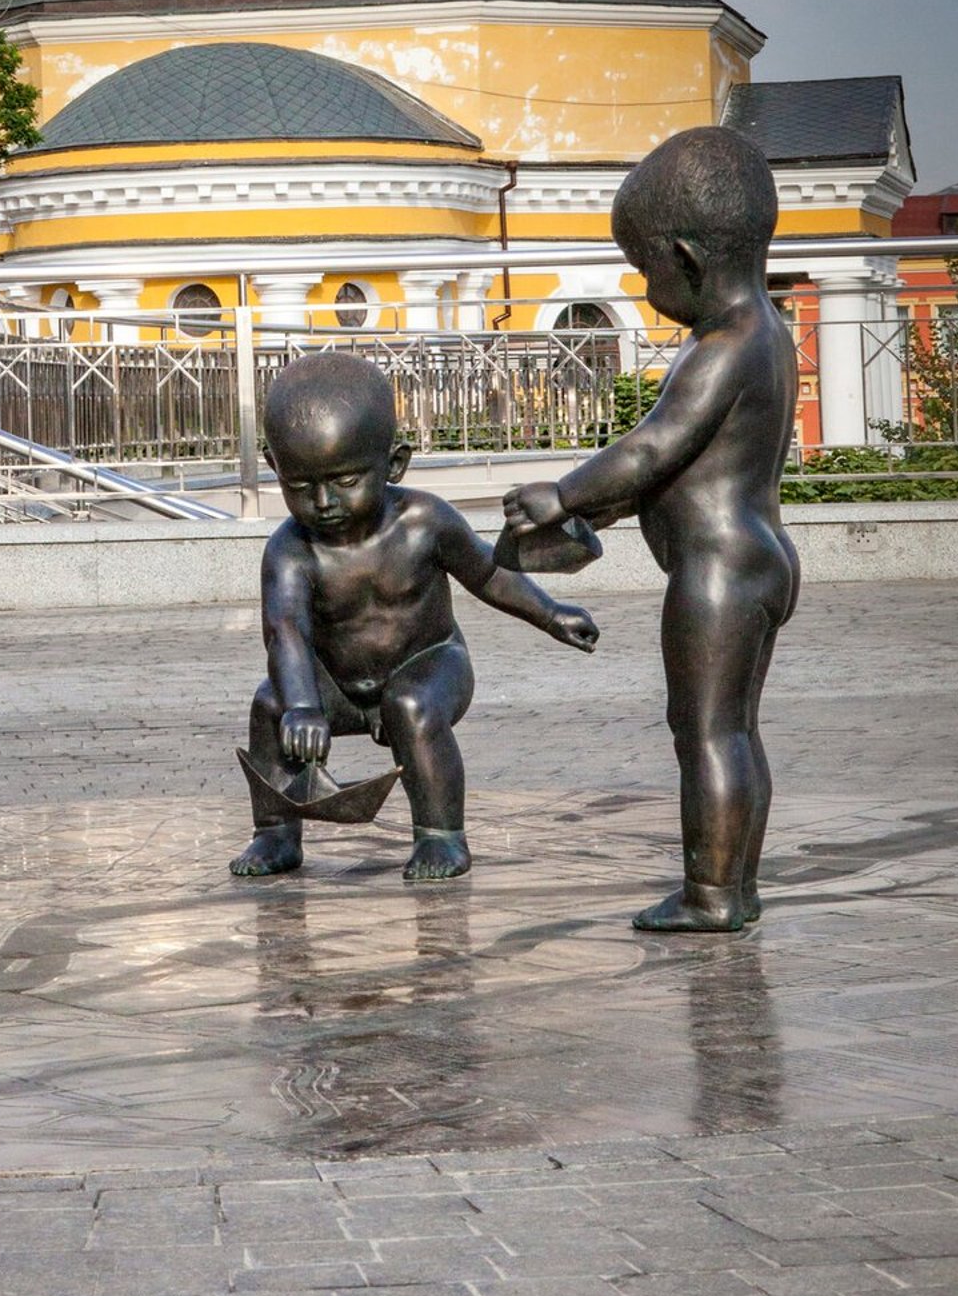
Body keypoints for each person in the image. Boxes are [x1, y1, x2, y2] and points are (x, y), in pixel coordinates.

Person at [505, 125, 797, 934]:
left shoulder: (720, 348)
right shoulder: (770, 333)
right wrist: (598, 511)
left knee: (704, 731)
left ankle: (710, 894)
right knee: (733, 729)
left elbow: (652, 449)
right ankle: (735, 883)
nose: (643, 290)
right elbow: (683, 469)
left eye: (644, 271)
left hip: (716, 570)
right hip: (760, 558)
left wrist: (562, 495)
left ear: (686, 259)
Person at [232, 352, 600, 885]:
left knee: (410, 704)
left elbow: (489, 574)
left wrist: (551, 614)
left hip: (430, 664)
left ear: (395, 464)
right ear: (274, 467)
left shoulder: (425, 521)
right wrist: (304, 705)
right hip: (336, 684)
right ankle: (275, 831)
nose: (323, 501)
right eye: (300, 486)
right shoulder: (291, 550)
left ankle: (440, 835)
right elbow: (285, 630)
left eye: (345, 480)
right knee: (271, 704)